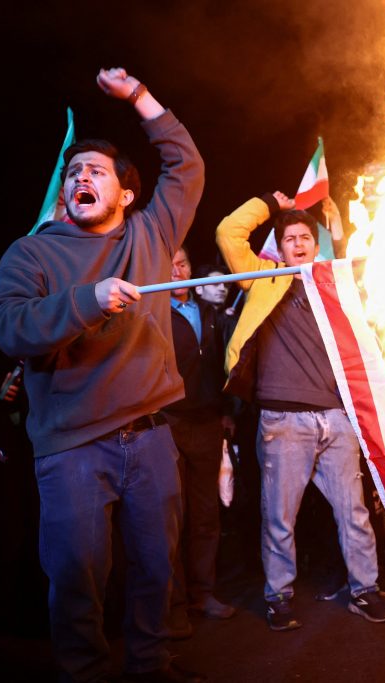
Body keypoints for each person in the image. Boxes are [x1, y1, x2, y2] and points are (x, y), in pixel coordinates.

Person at [0, 69, 204, 683]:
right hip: (72, 447)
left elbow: (185, 166)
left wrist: (139, 96)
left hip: (151, 435)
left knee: (157, 569)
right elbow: (8, 326)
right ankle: (83, 673)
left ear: (126, 194)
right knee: (78, 578)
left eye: (97, 172)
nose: (82, 177)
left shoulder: (151, 234)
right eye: (74, 172)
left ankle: (151, 666)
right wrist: (89, 300)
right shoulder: (32, 251)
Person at [216, 191, 385, 630]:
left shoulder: (332, 284)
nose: (297, 244)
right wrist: (268, 204)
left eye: (304, 238)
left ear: (316, 246)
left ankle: (365, 590)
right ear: (279, 247)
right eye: (289, 238)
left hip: (336, 417)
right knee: (280, 517)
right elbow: (228, 232)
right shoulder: (264, 277)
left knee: (354, 513)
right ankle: (278, 597)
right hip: (283, 421)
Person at [162, 247, 236, 639]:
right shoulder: (154, 314)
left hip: (207, 422)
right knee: (172, 517)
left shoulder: (209, 313)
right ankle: (174, 606)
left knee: (206, 515)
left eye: (183, 263)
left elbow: (223, 364)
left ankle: (203, 594)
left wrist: (226, 411)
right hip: (169, 423)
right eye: (169, 265)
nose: (177, 270)